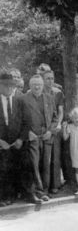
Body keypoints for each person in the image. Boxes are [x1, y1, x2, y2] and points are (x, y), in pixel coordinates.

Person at [22, 75, 58, 202]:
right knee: (34, 164)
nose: (37, 87)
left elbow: (55, 118)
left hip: (46, 136)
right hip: (32, 137)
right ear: (29, 86)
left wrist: (50, 131)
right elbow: (20, 120)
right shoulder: (24, 99)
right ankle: (36, 191)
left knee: (46, 164)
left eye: (39, 85)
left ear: (43, 86)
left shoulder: (49, 98)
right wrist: (27, 133)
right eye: (34, 85)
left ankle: (44, 191)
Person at [0, 71, 29, 206]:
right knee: (4, 170)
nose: (10, 89)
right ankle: (5, 197)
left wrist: (21, 139)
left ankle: (23, 194)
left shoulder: (19, 100)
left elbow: (26, 122)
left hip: (17, 143)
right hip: (2, 145)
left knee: (21, 168)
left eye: (12, 86)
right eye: (6, 86)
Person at [41, 69, 64, 194]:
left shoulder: (58, 93)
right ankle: (45, 185)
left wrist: (59, 124)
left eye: (52, 78)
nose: (50, 81)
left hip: (56, 127)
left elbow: (60, 111)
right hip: (45, 129)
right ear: (43, 80)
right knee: (46, 158)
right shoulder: (40, 92)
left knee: (56, 157)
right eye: (47, 78)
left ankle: (55, 185)